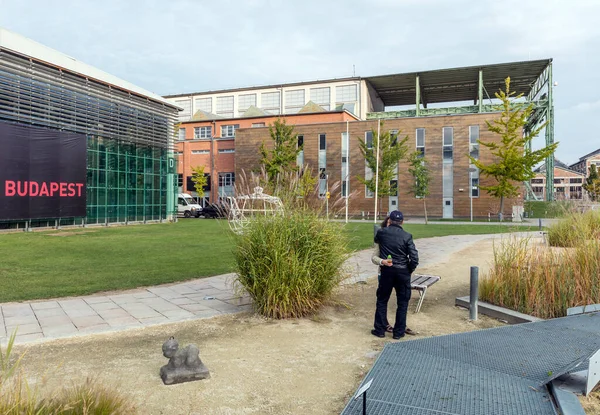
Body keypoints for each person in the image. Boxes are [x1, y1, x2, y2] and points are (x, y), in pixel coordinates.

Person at [371, 210, 419, 339]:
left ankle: (380, 330)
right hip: (403, 271)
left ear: (390, 221)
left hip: (387, 270)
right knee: (402, 302)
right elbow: (414, 257)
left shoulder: (381, 233)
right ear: (402, 222)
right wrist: (409, 269)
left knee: (382, 300)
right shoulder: (407, 236)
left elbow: (377, 243)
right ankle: (398, 333)